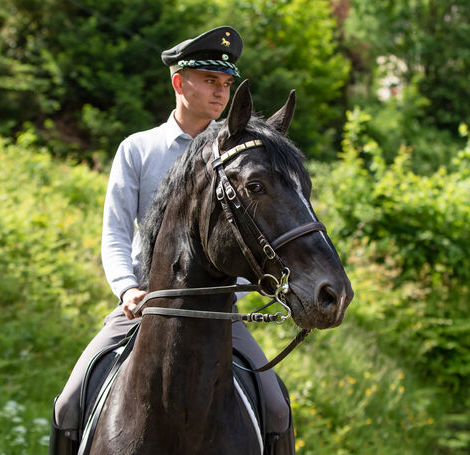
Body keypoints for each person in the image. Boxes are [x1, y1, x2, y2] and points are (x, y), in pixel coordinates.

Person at [50, 26, 290, 454]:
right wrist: (127, 289)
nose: (221, 93)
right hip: (145, 307)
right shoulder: (137, 149)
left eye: (227, 84)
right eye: (211, 81)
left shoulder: (239, 159)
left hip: (221, 314)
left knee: (276, 408)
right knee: (69, 402)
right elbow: (116, 231)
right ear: (180, 82)